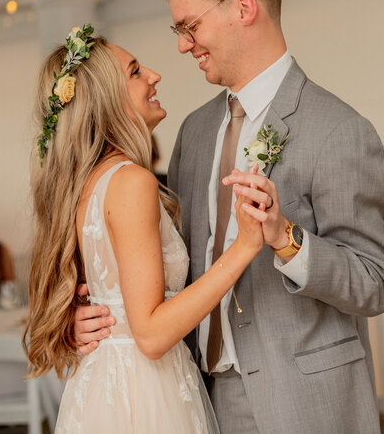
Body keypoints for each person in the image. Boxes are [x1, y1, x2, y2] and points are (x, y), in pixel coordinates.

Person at [75, 0, 384, 433]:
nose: (183, 45)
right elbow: (164, 268)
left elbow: (375, 285)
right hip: (197, 398)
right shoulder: (195, 132)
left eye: (190, 26)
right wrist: (98, 319)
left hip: (304, 402)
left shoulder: (339, 130)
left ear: (244, 8)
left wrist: (286, 240)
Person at [23, 25, 265, 432]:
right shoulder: (130, 181)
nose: (153, 75)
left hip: (107, 384)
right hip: (142, 391)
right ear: (107, 102)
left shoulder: (90, 183)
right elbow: (151, 336)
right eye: (135, 72)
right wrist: (243, 246)